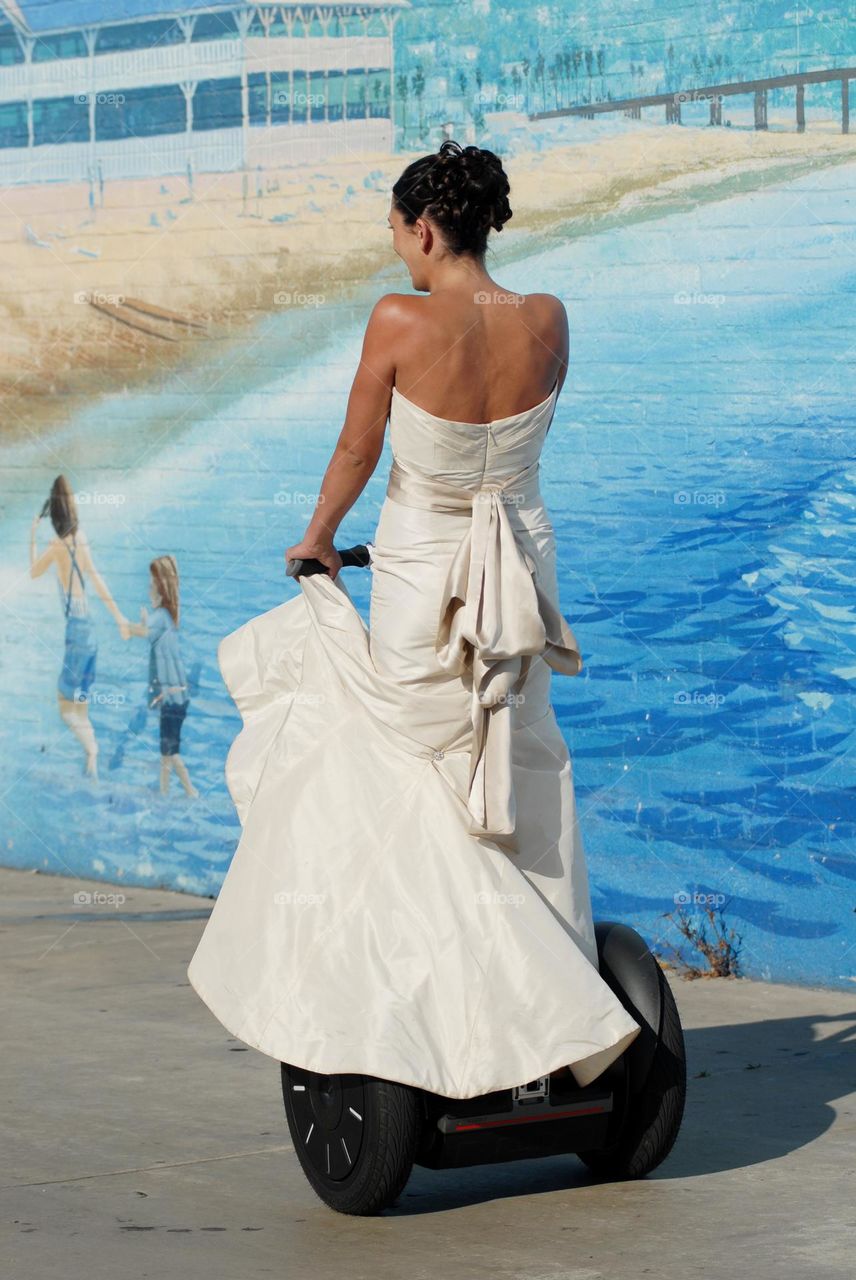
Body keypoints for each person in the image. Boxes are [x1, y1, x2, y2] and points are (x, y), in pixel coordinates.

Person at [187, 140, 641, 1100]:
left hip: (425, 578)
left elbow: (357, 450)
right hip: (517, 574)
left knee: (409, 767)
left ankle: (490, 1005)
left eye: (398, 236)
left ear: (425, 228)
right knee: (514, 761)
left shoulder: (400, 319)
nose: (399, 255)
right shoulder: (549, 319)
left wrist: (318, 536)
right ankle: (546, 1000)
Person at [29, 475, 128, 779]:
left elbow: (33, 572)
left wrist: (33, 534)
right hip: (92, 632)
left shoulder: (57, 546)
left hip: (76, 633)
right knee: (81, 705)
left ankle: (92, 750)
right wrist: (120, 619)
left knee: (64, 704)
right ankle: (91, 762)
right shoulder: (81, 538)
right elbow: (96, 580)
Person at [122, 555, 198, 799]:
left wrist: (127, 626)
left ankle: (190, 791)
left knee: (170, 752)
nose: (148, 587)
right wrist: (139, 625)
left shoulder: (162, 618)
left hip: (172, 700)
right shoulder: (166, 617)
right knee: (166, 752)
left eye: (151, 583)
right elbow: (150, 630)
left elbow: (145, 631)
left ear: (160, 586)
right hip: (176, 699)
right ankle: (164, 793)